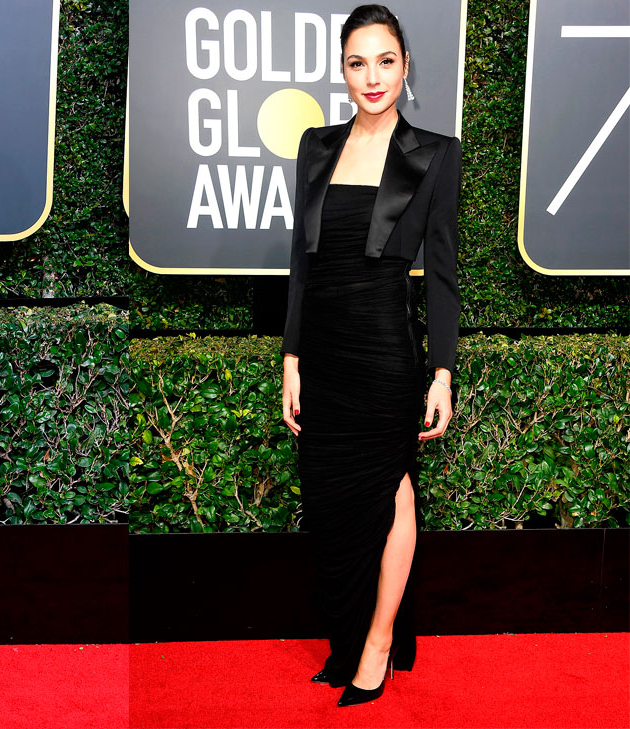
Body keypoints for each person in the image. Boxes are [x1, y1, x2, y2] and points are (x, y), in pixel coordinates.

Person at [280, 4, 461, 708]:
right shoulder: (315, 146)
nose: (373, 76)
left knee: (393, 488)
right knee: (329, 504)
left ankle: (378, 643)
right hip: (324, 353)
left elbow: (441, 272)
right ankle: (348, 635)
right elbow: (301, 262)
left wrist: (441, 372)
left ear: (405, 65)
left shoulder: (435, 153)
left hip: (386, 349)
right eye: (358, 62)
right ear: (343, 70)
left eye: (386, 60)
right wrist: (291, 357)